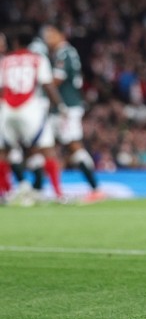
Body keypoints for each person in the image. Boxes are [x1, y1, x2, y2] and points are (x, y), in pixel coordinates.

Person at [0, 25, 65, 202]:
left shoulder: (5, 60)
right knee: (47, 150)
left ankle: (4, 194)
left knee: (3, 152)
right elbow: (48, 85)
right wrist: (60, 107)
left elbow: (1, 88)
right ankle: (58, 194)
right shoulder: (38, 59)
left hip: (7, 109)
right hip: (29, 109)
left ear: (15, 42)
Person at [42, 24, 102, 199]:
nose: (47, 39)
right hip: (62, 107)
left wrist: (38, 87)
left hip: (66, 107)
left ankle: (95, 187)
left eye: (51, 34)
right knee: (44, 146)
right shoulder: (64, 53)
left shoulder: (64, 52)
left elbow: (55, 81)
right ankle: (40, 187)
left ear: (60, 35)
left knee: (73, 145)